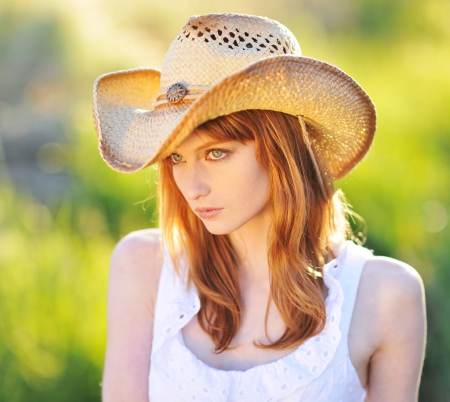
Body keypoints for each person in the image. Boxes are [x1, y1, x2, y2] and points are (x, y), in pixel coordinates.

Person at [92, 13, 426, 402]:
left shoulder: (384, 294)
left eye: (216, 153)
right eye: (176, 159)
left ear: (281, 149)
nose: (192, 187)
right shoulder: (143, 267)